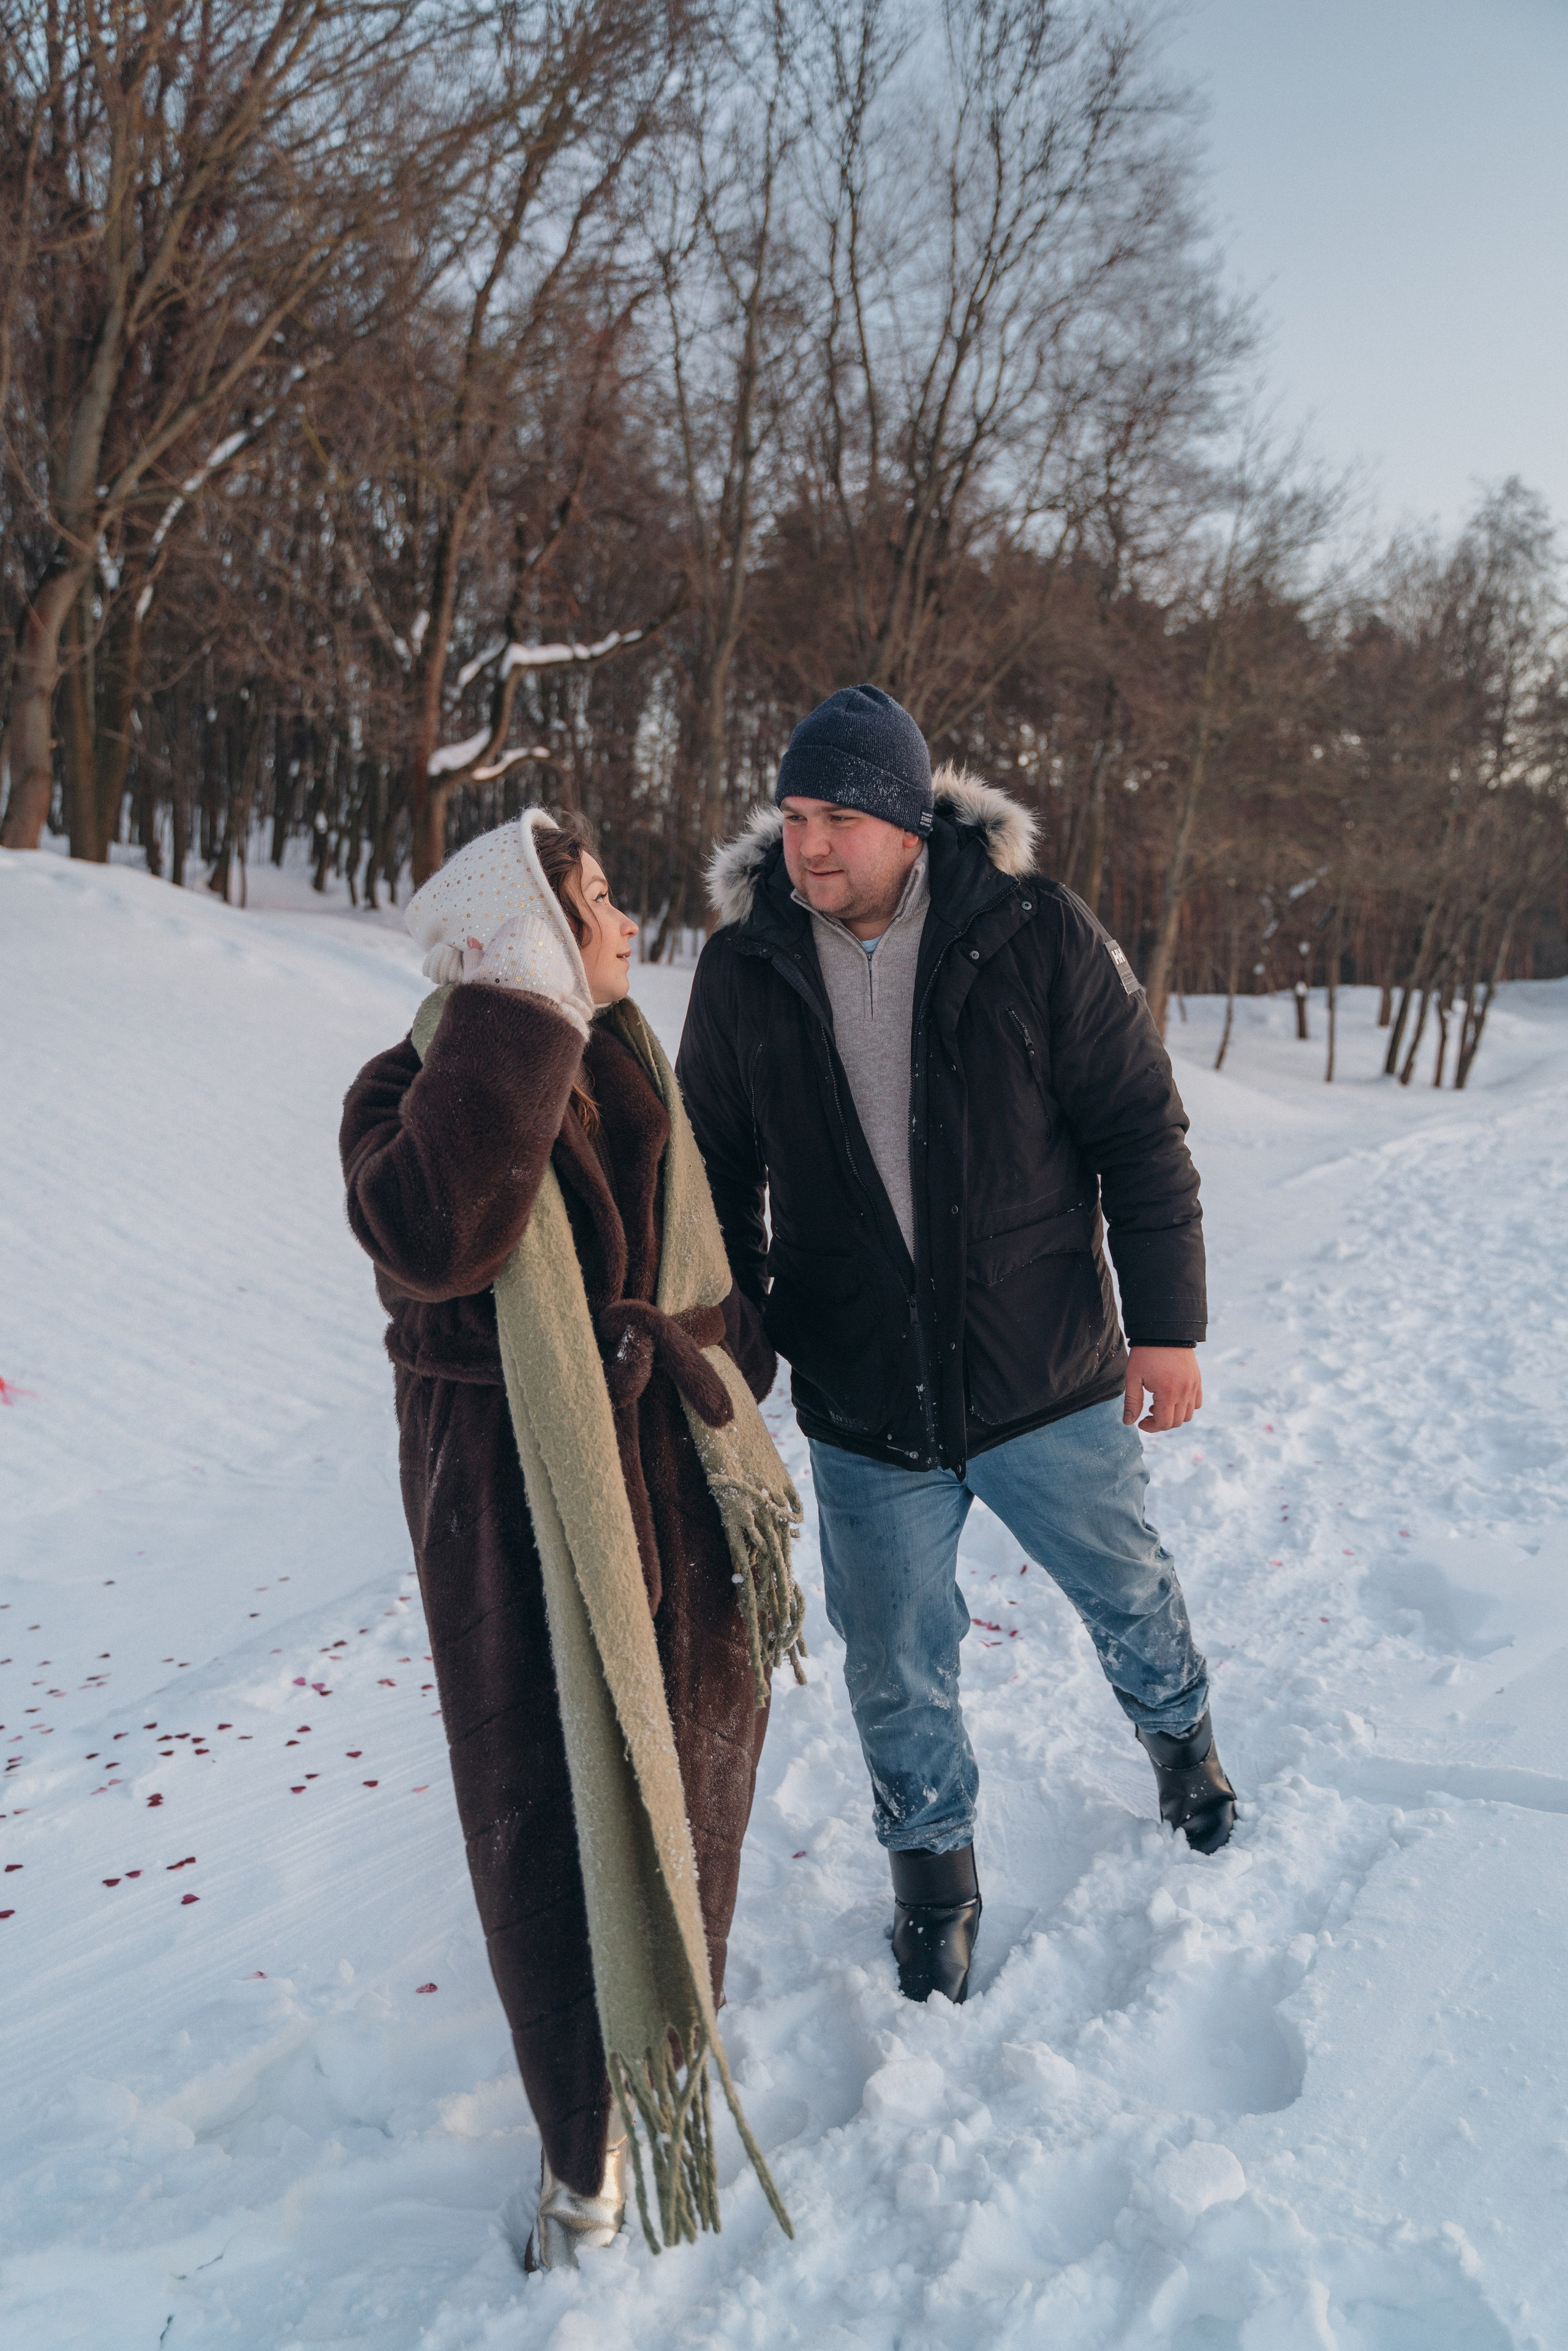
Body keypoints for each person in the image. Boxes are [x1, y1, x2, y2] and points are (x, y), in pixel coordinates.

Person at [677, 685, 1236, 2008]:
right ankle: (933, 1882)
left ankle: (1181, 1744)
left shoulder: (1027, 932)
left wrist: (1165, 1325)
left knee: (1127, 1585)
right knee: (892, 1656)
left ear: (910, 820)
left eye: (841, 818)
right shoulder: (746, 965)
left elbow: (1136, 1132)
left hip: (1042, 1372)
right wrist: (731, 1367)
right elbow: (710, 1181)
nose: (809, 844)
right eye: (793, 814)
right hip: (868, 1394)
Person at [340, 809, 802, 2267]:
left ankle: (666, 2056)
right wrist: (513, 1018)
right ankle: (579, 2138)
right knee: (549, 1812)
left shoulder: (628, 1058)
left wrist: (729, 1364)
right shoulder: (411, 1089)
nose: (622, 923)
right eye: (587, 903)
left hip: (672, 1481)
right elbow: (441, 1230)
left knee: (688, 1792)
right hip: (528, 1519)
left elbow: (697, 1248)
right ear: (520, 939)